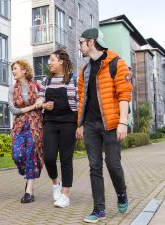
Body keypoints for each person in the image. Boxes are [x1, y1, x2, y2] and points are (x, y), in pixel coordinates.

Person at [76, 28, 132, 223]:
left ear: (91, 42)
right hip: (91, 125)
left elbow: (124, 95)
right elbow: (82, 98)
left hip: (112, 123)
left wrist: (123, 122)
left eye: (81, 42)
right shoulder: (85, 71)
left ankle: (122, 193)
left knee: (113, 164)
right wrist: (80, 124)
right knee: (94, 166)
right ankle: (98, 209)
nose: (80, 46)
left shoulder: (117, 64)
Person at [38, 49, 78, 208]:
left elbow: (79, 101)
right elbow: (40, 98)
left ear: (61, 61)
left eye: (52, 60)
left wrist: (80, 125)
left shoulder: (73, 80)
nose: (49, 63)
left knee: (66, 159)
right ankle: (56, 183)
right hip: (50, 122)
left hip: (69, 122)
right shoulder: (46, 81)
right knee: (48, 157)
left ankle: (65, 195)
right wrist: (43, 104)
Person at [8, 60, 44, 204]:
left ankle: (29, 190)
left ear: (24, 70)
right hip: (19, 126)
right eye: (12, 69)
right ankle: (28, 176)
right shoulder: (11, 89)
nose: (13, 71)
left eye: (15, 69)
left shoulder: (37, 86)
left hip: (35, 125)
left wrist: (41, 102)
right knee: (17, 155)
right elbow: (13, 110)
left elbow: (43, 100)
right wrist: (32, 106)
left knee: (31, 155)